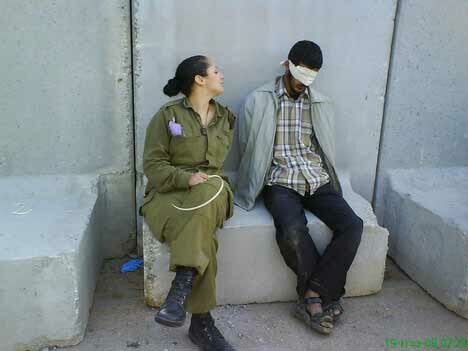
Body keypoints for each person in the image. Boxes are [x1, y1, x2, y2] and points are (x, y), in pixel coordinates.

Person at [235, 41, 363, 335]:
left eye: (309, 80)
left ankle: (312, 294)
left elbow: (323, 145)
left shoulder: (320, 103)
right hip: (280, 181)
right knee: (292, 231)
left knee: (353, 225)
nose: (302, 85)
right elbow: (247, 146)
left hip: (317, 179)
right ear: (287, 66)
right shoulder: (259, 100)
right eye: (299, 77)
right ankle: (322, 297)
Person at [141, 55, 236, 351]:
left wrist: (201, 181)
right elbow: (153, 167)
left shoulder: (226, 118)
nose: (222, 75)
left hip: (213, 191)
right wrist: (186, 179)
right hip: (168, 195)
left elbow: (215, 171)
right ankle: (201, 323)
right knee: (202, 232)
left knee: (206, 198)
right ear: (199, 79)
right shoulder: (167, 117)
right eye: (216, 71)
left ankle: (181, 287)